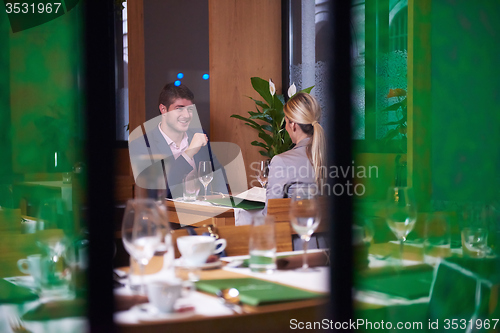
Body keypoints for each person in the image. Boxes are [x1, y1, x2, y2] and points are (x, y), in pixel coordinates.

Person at [129, 83, 228, 199]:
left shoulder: (200, 135)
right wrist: (189, 153)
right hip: (169, 214)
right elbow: (156, 191)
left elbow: (218, 173)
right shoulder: (142, 144)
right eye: (179, 109)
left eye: (190, 109)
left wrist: (223, 204)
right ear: (163, 109)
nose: (187, 115)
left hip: (203, 210)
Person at [265, 92, 326, 204]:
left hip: (296, 221)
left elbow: (270, 212)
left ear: (293, 125)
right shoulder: (336, 156)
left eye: (286, 122)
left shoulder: (281, 161)